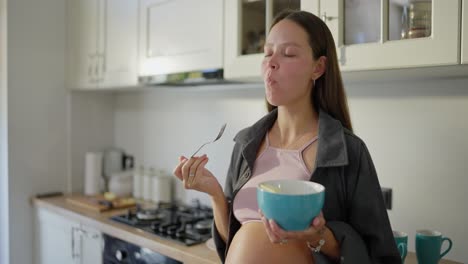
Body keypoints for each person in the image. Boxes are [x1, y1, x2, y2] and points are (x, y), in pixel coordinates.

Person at [173, 10, 401, 264]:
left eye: (289, 53)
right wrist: (215, 194)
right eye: (268, 52)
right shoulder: (246, 144)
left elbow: (379, 256)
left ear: (318, 67)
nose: (271, 62)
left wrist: (319, 236)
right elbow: (234, 242)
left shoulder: (348, 151)